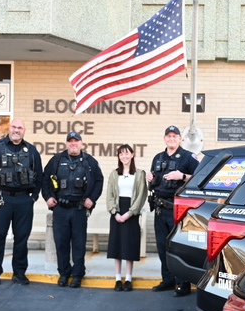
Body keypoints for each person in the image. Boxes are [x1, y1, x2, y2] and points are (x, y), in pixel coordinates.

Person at [0, 118, 43, 285]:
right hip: (2, 199)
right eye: (14, 127)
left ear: (24, 130)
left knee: (21, 237)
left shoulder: (32, 150)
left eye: (20, 128)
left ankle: (19, 272)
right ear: (9, 128)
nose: (16, 130)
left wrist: (33, 197)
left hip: (23, 200)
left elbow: (40, 176)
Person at [42, 131, 104, 289]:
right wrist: (48, 197)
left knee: (79, 243)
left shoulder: (89, 161)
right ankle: (64, 273)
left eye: (76, 141)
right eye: (70, 141)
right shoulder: (56, 160)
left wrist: (92, 199)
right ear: (67, 143)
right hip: (60, 209)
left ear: (81, 143)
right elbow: (44, 179)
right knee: (61, 243)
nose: (73, 144)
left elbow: (99, 180)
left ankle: (77, 275)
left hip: (79, 209)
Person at [146, 125, 199, 297]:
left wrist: (182, 176)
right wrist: (151, 179)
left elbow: (201, 178)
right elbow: (155, 182)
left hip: (178, 210)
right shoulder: (158, 157)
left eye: (174, 136)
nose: (171, 139)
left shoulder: (188, 157)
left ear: (180, 139)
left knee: (178, 247)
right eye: (168, 136)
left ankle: (183, 284)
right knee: (162, 247)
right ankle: (167, 280)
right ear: (164, 139)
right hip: (160, 208)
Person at [105, 144, 147, 291]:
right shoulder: (114, 173)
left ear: (132, 154)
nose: (124, 156)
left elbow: (141, 195)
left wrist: (129, 213)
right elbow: (109, 195)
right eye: (121, 154)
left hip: (131, 212)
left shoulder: (140, 174)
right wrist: (115, 212)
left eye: (126, 153)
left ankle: (128, 278)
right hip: (117, 211)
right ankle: (118, 278)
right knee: (117, 245)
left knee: (129, 245)